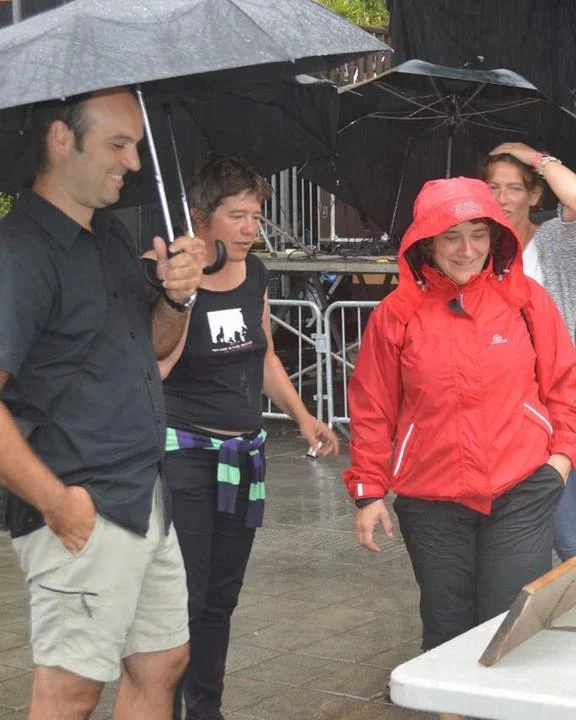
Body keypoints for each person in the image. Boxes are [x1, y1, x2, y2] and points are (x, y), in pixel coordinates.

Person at [0, 88, 205, 719]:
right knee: (71, 691)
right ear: (62, 139)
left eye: (136, 145)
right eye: (118, 144)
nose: (134, 162)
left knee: (161, 662)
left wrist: (177, 296)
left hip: (142, 495)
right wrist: (57, 504)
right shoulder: (20, 254)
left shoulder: (109, 235)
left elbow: (153, 349)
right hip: (82, 501)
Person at [345, 178, 576, 662]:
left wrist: (561, 461)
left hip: (521, 488)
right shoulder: (396, 314)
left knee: (508, 627)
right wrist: (369, 491)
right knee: (447, 631)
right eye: (451, 237)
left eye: (478, 234)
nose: (466, 250)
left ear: (496, 237)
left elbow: (565, 386)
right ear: (426, 243)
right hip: (431, 497)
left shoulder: (526, 301)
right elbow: (372, 407)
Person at [157, 153, 339, 720]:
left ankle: (206, 709)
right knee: (184, 598)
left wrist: (303, 416)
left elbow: (263, 356)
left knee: (221, 597)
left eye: (255, 217)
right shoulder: (175, 279)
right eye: (236, 216)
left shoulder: (255, 274)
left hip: (244, 455)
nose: (249, 229)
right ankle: (160, 705)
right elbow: (157, 363)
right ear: (199, 216)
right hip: (186, 455)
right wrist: (179, 293)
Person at [481, 141, 576, 561]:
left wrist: (534, 157)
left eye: (514, 188)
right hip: (496, 408)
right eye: (493, 187)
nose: (502, 198)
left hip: (550, 406)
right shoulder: (475, 253)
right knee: (510, 542)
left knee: (568, 537)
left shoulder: (553, 243)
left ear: (534, 195)